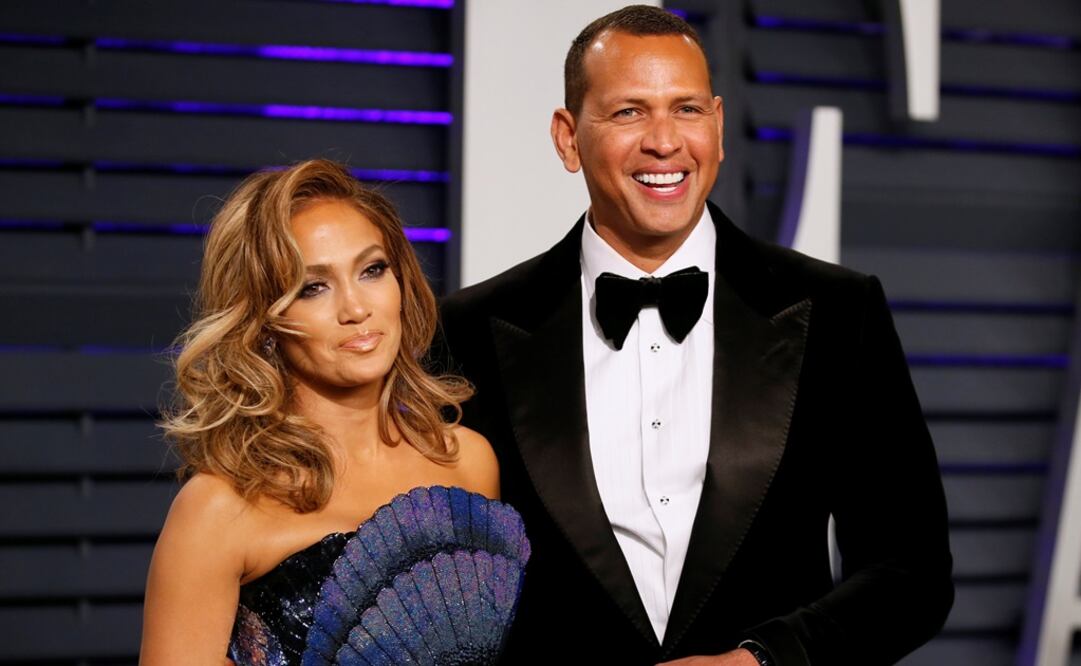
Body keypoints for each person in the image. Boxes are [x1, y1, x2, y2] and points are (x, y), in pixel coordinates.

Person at [435, 6, 953, 665]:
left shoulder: (837, 310)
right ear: (568, 138)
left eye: (685, 110)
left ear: (717, 125)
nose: (663, 142)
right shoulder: (468, 329)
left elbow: (911, 572)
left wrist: (763, 661)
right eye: (628, 112)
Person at [141, 159, 530, 665]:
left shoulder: (466, 460)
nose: (356, 308)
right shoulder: (218, 509)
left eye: (372, 270)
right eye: (312, 287)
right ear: (263, 322)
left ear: (401, 283)